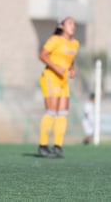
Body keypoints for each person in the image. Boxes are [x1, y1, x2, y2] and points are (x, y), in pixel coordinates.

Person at [37, 16, 79, 158]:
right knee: (51, 111)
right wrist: (56, 68)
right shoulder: (55, 40)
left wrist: (72, 69)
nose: (73, 26)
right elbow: (42, 55)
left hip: (63, 81)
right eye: (69, 23)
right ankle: (43, 146)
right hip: (50, 77)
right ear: (61, 26)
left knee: (62, 113)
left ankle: (57, 147)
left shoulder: (75, 44)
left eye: (74, 23)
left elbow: (70, 60)